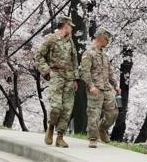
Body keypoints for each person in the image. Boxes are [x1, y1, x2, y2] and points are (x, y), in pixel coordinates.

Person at [35, 16, 79, 148]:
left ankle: (60, 137)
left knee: (67, 109)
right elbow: (39, 55)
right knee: (56, 107)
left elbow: (74, 60)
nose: (71, 29)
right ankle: (51, 128)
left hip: (69, 78)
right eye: (70, 26)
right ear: (66, 25)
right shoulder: (51, 39)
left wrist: (76, 79)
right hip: (56, 76)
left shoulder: (70, 41)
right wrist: (46, 70)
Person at [80, 28, 120, 148]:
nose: (108, 42)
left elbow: (110, 72)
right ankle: (93, 138)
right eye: (107, 39)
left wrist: (115, 85)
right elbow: (84, 72)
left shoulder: (104, 55)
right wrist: (91, 86)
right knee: (94, 114)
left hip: (107, 88)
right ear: (101, 37)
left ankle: (102, 129)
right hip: (95, 89)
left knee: (113, 113)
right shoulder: (88, 54)